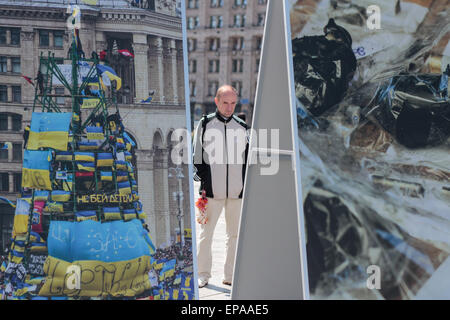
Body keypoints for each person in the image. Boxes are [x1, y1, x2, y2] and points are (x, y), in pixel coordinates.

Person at [193, 85, 249, 288]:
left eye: (233, 103)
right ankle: (202, 274)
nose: (229, 107)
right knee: (206, 234)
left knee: (234, 235)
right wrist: (204, 181)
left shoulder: (242, 127)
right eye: (225, 102)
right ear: (217, 101)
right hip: (211, 191)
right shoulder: (206, 123)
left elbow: (247, 159)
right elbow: (197, 155)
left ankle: (231, 275)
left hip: (237, 192)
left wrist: (245, 185)